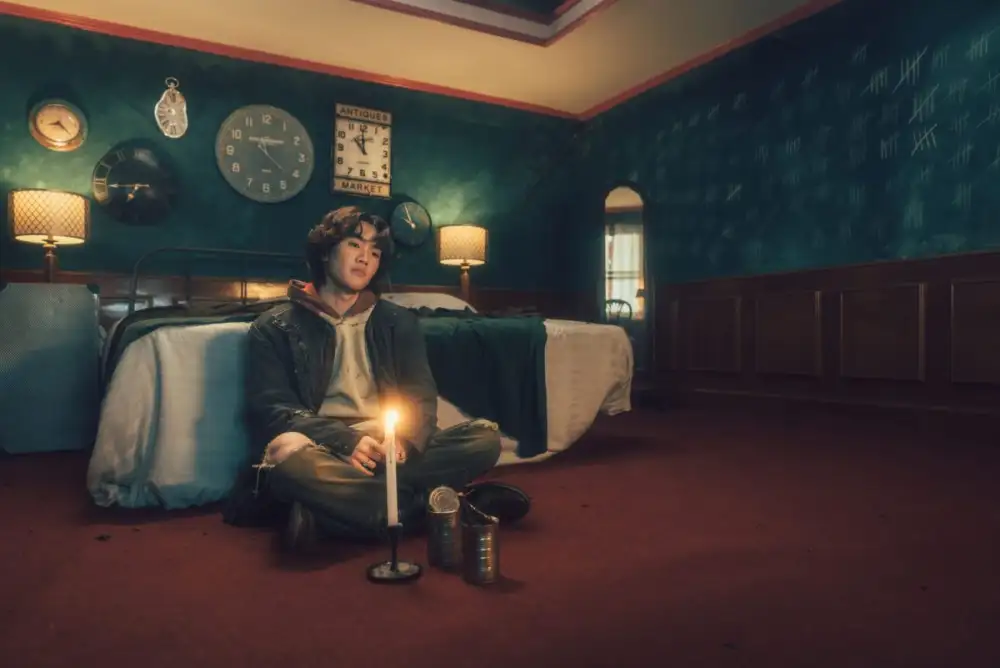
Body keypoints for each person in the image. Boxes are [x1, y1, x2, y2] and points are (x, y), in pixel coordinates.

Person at [223, 206, 530, 553]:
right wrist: (346, 442)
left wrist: (404, 442)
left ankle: (329, 513)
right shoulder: (274, 326)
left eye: (375, 251)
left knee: (484, 439)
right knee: (286, 455)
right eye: (354, 245)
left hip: (386, 444)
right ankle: (442, 505)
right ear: (325, 252)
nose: (365, 258)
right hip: (322, 448)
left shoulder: (398, 321)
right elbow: (274, 410)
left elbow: (419, 396)